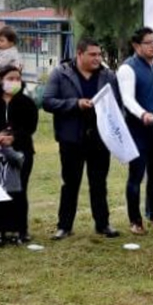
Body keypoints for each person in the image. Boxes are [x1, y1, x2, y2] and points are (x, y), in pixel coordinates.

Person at [41, 38, 120, 239]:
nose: (97, 58)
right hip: (71, 138)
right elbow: (47, 102)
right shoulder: (61, 73)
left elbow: (117, 104)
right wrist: (75, 104)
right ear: (79, 54)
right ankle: (64, 226)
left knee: (99, 183)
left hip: (100, 138)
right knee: (70, 183)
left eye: (99, 54)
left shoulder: (108, 75)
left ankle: (103, 224)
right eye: (92, 54)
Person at [0, 65, 38, 246]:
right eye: (10, 78)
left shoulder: (27, 103)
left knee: (20, 189)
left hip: (21, 152)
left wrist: (14, 137)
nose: (14, 82)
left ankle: (21, 229)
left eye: (17, 78)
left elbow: (31, 127)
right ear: (0, 80)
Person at [117, 26, 153, 235]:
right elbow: (127, 99)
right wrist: (143, 114)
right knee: (136, 175)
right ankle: (135, 220)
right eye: (149, 43)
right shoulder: (127, 68)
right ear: (136, 45)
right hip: (137, 128)